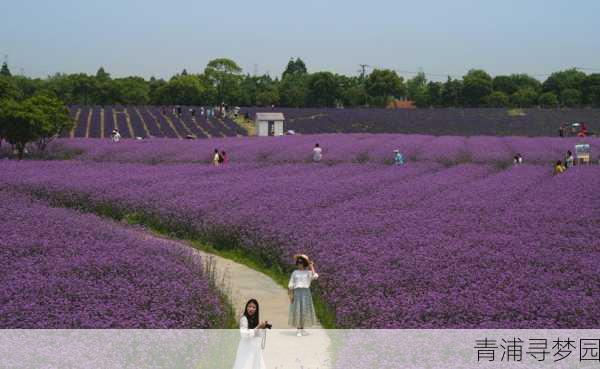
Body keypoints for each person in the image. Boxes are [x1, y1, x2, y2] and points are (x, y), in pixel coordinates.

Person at [232, 299, 268, 369]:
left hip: (254, 348)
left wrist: (262, 328)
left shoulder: (254, 319)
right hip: (246, 348)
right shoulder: (244, 319)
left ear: (256, 309)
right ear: (246, 307)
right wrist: (258, 327)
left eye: (254, 307)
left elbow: (257, 335)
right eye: (249, 306)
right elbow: (244, 335)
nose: (251, 309)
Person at [288, 254, 318, 337]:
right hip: (297, 293)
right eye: (298, 262)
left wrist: (311, 267)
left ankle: (302, 328)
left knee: (304, 310)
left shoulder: (308, 273)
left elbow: (315, 276)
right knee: (298, 310)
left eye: (301, 262)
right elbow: (291, 283)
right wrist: (291, 295)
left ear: (304, 263)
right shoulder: (295, 272)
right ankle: (298, 329)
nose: (299, 264)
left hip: (306, 293)